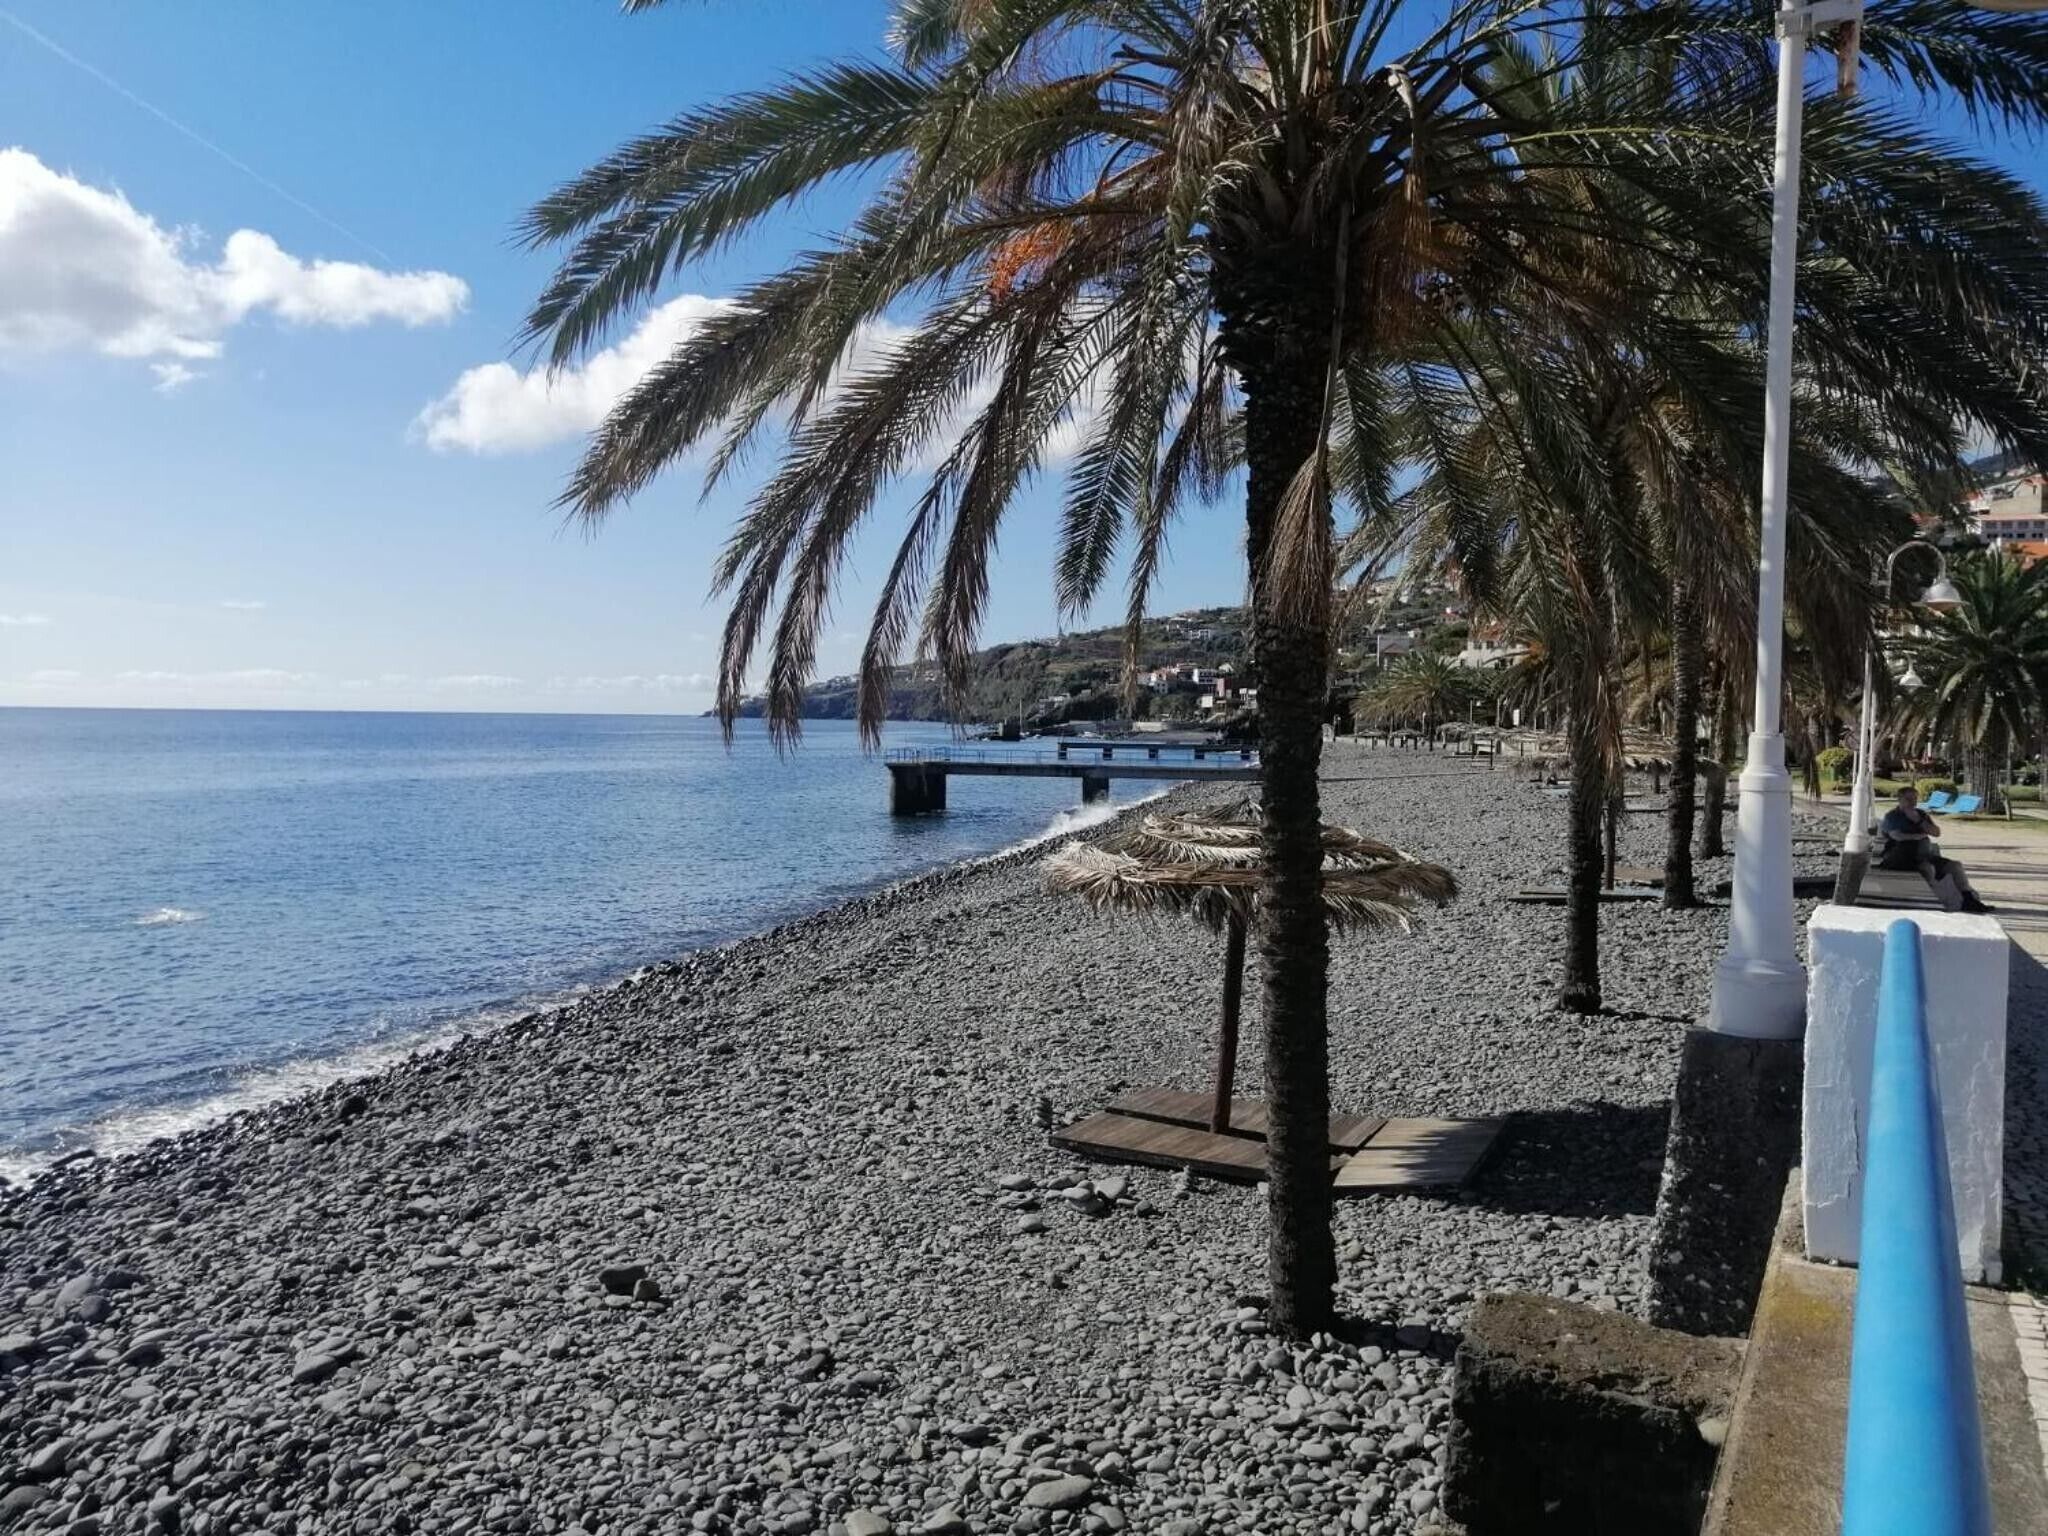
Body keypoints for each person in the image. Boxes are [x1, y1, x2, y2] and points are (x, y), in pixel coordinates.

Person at [1877, 787, 1991, 915]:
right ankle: (1932, 903)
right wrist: (1919, 836)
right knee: (1928, 868)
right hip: (1900, 858)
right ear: (1899, 799)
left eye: (1915, 798)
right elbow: (1897, 836)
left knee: (1955, 866)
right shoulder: (1892, 816)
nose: (1912, 802)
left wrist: (1918, 821)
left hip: (1925, 855)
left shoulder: (1921, 814)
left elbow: (1936, 833)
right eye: (1908, 799)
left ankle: (1968, 901)